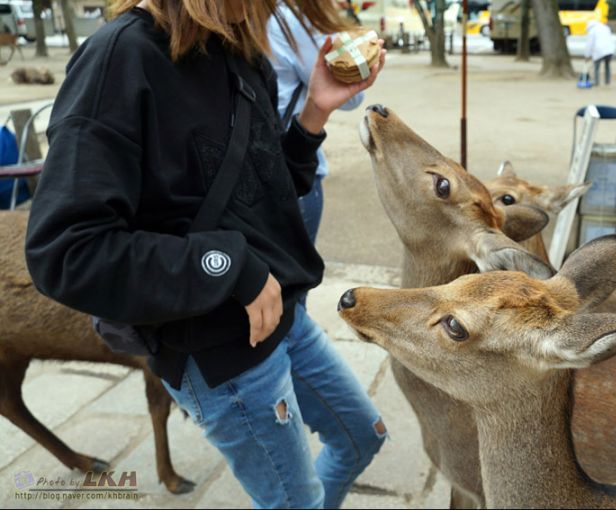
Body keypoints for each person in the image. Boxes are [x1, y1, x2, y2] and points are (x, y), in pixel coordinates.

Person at [24, 1, 388, 508]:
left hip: (285, 315)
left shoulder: (239, 51)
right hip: (214, 348)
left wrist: (314, 112)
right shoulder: (118, 59)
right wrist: (229, 266)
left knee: (360, 438)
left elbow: (268, 187)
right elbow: (65, 251)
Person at [267, 1, 364, 277]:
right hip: (291, 170)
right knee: (291, 291)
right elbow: (350, 93)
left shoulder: (240, 22)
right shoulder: (294, 18)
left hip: (248, 174)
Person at [584, 20, 614, 86]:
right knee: (607, 65)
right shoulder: (606, 27)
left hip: (599, 50)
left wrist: (587, 55)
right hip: (609, 49)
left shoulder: (592, 31)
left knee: (596, 67)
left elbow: (590, 44)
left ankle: (596, 82)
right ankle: (607, 81)